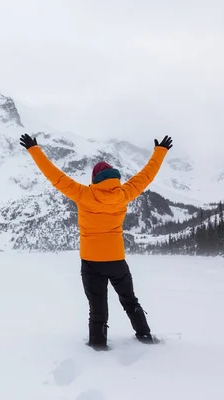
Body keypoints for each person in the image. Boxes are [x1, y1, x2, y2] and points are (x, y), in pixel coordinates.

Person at [19, 133, 173, 351]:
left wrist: (34, 149)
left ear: (94, 179)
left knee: (97, 308)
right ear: (114, 178)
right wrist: (160, 152)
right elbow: (146, 176)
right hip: (117, 260)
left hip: (91, 262)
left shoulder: (83, 194)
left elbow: (55, 176)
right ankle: (145, 336)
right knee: (130, 300)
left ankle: (98, 345)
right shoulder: (125, 193)